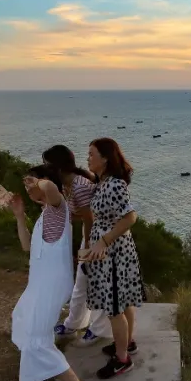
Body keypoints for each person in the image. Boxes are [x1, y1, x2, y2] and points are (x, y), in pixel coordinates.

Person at [7, 164, 94, 381]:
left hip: (51, 284)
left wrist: (38, 183)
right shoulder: (46, 214)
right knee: (23, 324)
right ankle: (54, 369)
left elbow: (52, 189)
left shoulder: (58, 208)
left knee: (37, 341)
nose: (29, 188)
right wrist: (20, 216)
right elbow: (25, 246)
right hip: (39, 284)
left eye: (31, 184)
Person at [81, 138, 146, 379]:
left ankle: (122, 360)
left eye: (91, 154)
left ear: (105, 158)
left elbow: (130, 218)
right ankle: (127, 344)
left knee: (115, 308)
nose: (87, 158)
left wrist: (103, 241)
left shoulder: (114, 185)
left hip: (114, 255)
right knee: (123, 302)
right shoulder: (102, 183)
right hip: (110, 253)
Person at [44, 145, 109, 347]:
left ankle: (98, 329)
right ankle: (74, 323)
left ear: (58, 166)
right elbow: (77, 214)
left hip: (99, 235)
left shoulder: (79, 185)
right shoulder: (66, 184)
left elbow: (89, 219)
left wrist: (88, 248)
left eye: (47, 165)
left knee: (95, 282)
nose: (45, 169)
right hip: (90, 233)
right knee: (82, 280)